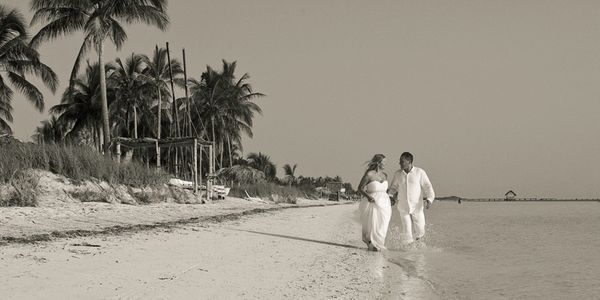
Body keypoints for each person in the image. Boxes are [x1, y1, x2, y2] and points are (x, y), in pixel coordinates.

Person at [388, 152, 435, 244]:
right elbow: (393, 187)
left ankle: (418, 251)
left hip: (417, 207)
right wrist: (390, 197)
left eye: (402, 161)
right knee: (407, 231)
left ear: (409, 161)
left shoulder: (419, 172)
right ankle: (409, 254)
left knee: (420, 230)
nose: (399, 163)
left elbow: (427, 186)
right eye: (400, 161)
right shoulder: (398, 174)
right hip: (403, 207)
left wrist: (429, 199)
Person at [358, 154, 392, 251]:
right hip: (372, 202)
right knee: (373, 224)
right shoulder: (369, 174)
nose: (385, 164)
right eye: (384, 162)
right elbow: (360, 188)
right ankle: (372, 243)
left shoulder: (385, 175)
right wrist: (368, 197)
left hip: (385, 203)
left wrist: (391, 197)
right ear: (378, 163)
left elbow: (385, 190)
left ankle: (379, 243)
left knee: (383, 224)